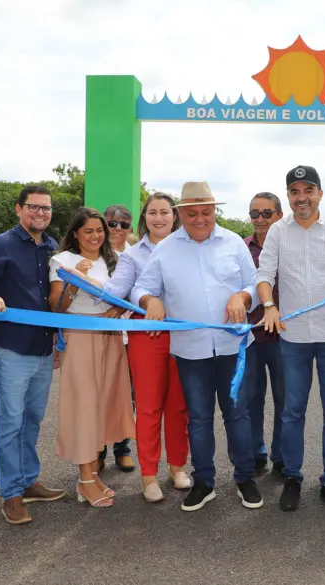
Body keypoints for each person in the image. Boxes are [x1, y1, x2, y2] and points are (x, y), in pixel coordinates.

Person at [132, 181, 262, 512]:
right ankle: (204, 482)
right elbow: (141, 288)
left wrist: (242, 296)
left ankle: (244, 478)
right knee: (200, 419)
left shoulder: (233, 242)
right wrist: (150, 300)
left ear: (214, 211)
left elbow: (255, 283)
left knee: (238, 415)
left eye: (206, 211)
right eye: (192, 213)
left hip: (233, 347)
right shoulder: (166, 248)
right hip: (190, 351)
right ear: (181, 214)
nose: (200, 218)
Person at [257, 165, 325, 513]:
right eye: (294, 192)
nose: (301, 198)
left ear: (320, 193)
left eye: (308, 191)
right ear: (288, 195)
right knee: (291, 412)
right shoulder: (277, 231)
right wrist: (269, 305)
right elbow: (264, 274)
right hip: (293, 337)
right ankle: (292, 477)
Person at [0, 185, 65, 525]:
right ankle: (11, 494)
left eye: (46, 208)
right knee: (8, 423)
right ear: (18, 209)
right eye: (34, 207)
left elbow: (54, 299)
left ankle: (29, 481)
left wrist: (56, 340)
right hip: (11, 348)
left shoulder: (53, 248)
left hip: (42, 348)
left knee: (32, 420)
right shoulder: (1, 245)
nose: (41, 213)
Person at [104, 193, 191, 502]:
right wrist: (82, 278)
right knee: (150, 407)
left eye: (164, 212)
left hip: (184, 337)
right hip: (147, 337)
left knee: (179, 406)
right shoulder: (133, 255)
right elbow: (116, 291)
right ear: (145, 219)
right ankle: (149, 475)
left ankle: (177, 467)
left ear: (174, 216)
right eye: (152, 212)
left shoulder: (190, 247)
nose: (158, 218)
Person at [48, 208, 135, 508]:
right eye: (89, 231)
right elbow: (56, 306)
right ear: (75, 234)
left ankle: (92, 476)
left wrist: (116, 310)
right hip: (80, 336)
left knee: (103, 405)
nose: (96, 236)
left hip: (111, 338)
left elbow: (127, 295)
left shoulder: (116, 260)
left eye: (100, 230)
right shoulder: (63, 261)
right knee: (84, 406)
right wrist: (76, 280)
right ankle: (86, 480)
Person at [244, 192, 286, 475]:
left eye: (266, 213)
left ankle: (281, 457)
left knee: (286, 400)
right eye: (255, 213)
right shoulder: (240, 248)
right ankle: (255, 452)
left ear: (279, 215)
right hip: (249, 336)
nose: (260, 219)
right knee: (250, 399)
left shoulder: (290, 245)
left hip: (285, 335)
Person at [99, 203, 137, 473]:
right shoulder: (93, 256)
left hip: (130, 335)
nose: (117, 229)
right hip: (100, 335)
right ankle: (97, 450)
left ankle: (122, 448)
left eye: (124, 224)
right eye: (112, 223)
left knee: (127, 396)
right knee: (101, 394)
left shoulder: (136, 256)